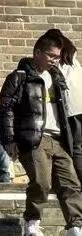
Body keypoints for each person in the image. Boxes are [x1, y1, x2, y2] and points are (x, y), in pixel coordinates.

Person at [0, 32, 82, 236]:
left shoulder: (58, 78)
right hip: (34, 137)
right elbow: (5, 109)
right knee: (41, 182)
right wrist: (9, 140)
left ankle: (75, 227)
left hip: (59, 139)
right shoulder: (19, 77)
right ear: (37, 53)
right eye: (51, 56)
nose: (55, 60)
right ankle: (32, 221)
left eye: (57, 57)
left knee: (70, 184)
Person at [45, 29, 82, 191]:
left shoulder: (58, 57)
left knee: (75, 148)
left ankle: (77, 182)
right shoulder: (73, 57)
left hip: (72, 108)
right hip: (80, 104)